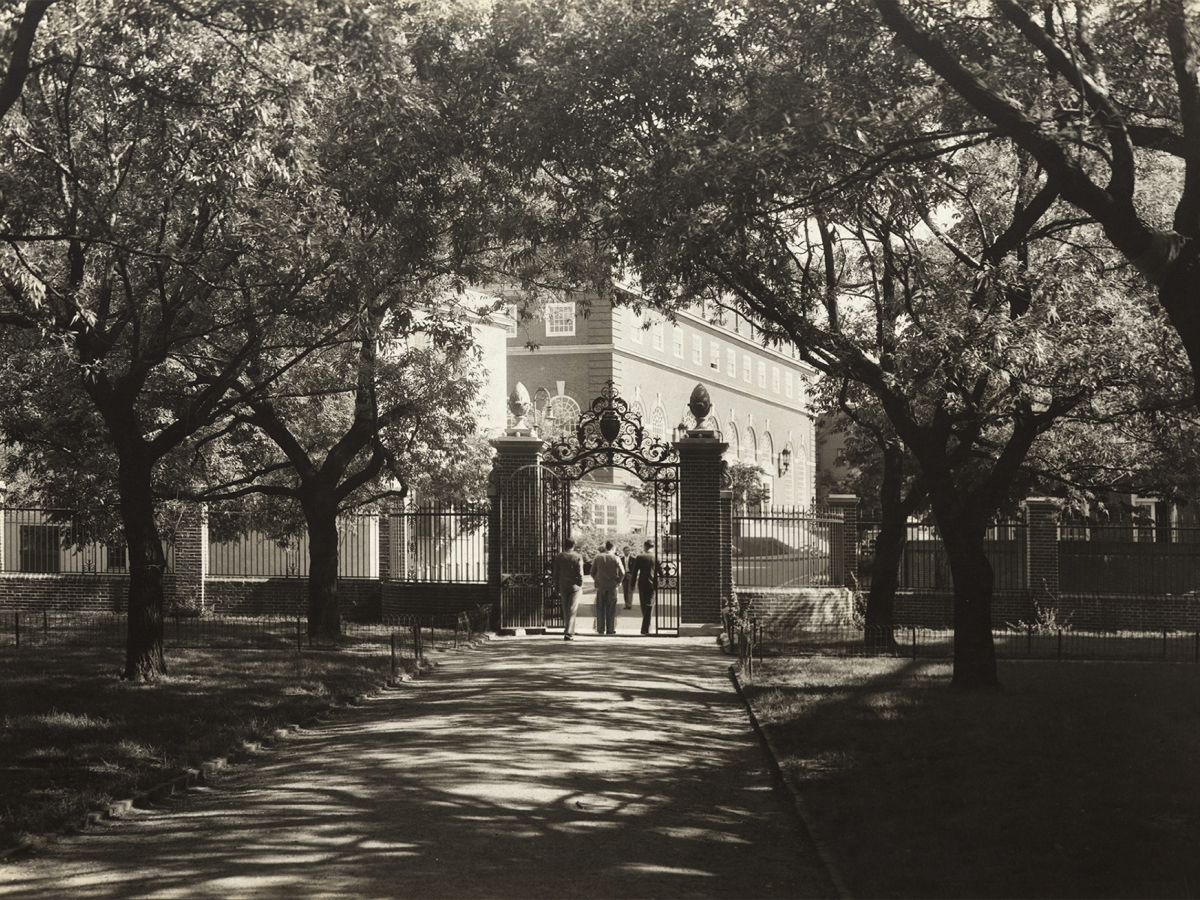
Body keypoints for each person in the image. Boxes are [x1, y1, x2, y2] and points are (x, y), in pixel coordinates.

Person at [552, 538, 585, 641]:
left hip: (563, 584)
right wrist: (580, 583)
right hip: (574, 585)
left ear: (564, 545)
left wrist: (556, 585)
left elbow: (556, 573)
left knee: (565, 608)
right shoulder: (578, 556)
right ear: (574, 545)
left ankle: (568, 629)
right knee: (572, 609)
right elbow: (580, 572)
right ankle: (569, 632)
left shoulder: (559, 557)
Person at [590, 540, 625, 636]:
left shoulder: (598, 557)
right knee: (611, 608)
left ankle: (600, 629)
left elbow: (592, 572)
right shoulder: (616, 558)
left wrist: (597, 579)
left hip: (601, 586)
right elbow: (623, 572)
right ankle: (610, 629)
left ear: (606, 547)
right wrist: (618, 581)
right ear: (613, 548)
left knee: (600, 607)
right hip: (612, 586)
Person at [629, 539, 659, 635]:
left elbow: (634, 572)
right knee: (650, 605)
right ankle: (647, 627)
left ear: (645, 547)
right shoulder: (656, 557)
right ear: (653, 547)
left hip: (642, 584)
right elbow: (661, 571)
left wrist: (632, 584)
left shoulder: (639, 557)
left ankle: (646, 628)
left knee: (644, 605)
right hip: (653, 584)